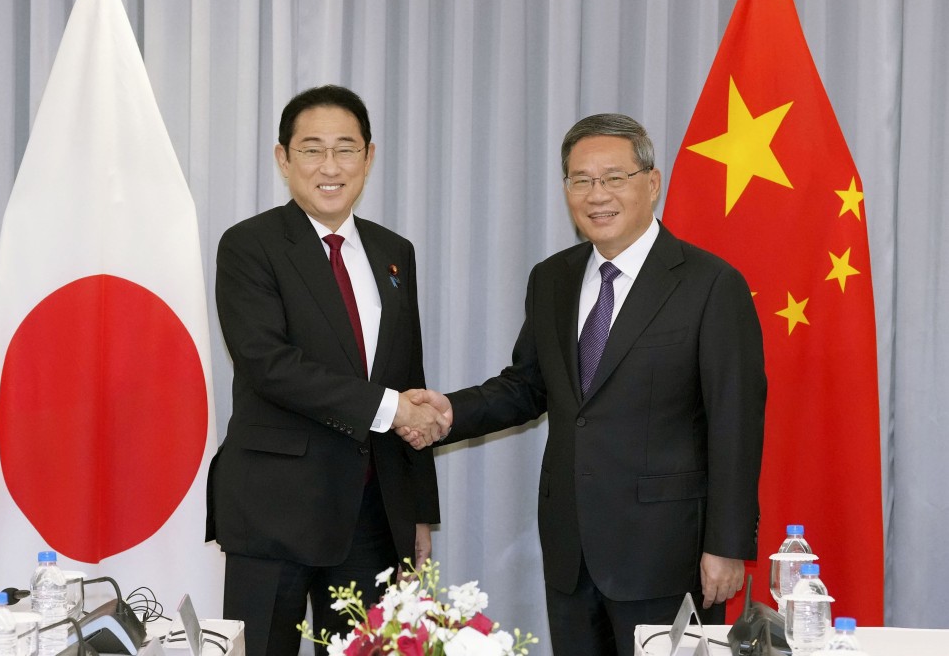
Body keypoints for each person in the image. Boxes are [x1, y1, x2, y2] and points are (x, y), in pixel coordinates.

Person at [402, 113, 766, 655]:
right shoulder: (552, 279)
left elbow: (735, 423)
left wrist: (726, 546)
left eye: (615, 178)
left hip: (668, 554)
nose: (597, 195)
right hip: (571, 551)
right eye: (581, 180)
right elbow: (528, 386)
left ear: (652, 183)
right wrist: (448, 411)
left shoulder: (710, 284)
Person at [207, 84, 450, 656]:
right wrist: (391, 409)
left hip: (371, 515)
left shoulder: (395, 252)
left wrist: (418, 511)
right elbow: (268, 365)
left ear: (369, 156)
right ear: (283, 158)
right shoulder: (249, 245)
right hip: (274, 511)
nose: (330, 166)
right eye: (312, 150)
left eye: (346, 149)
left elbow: (408, 374)